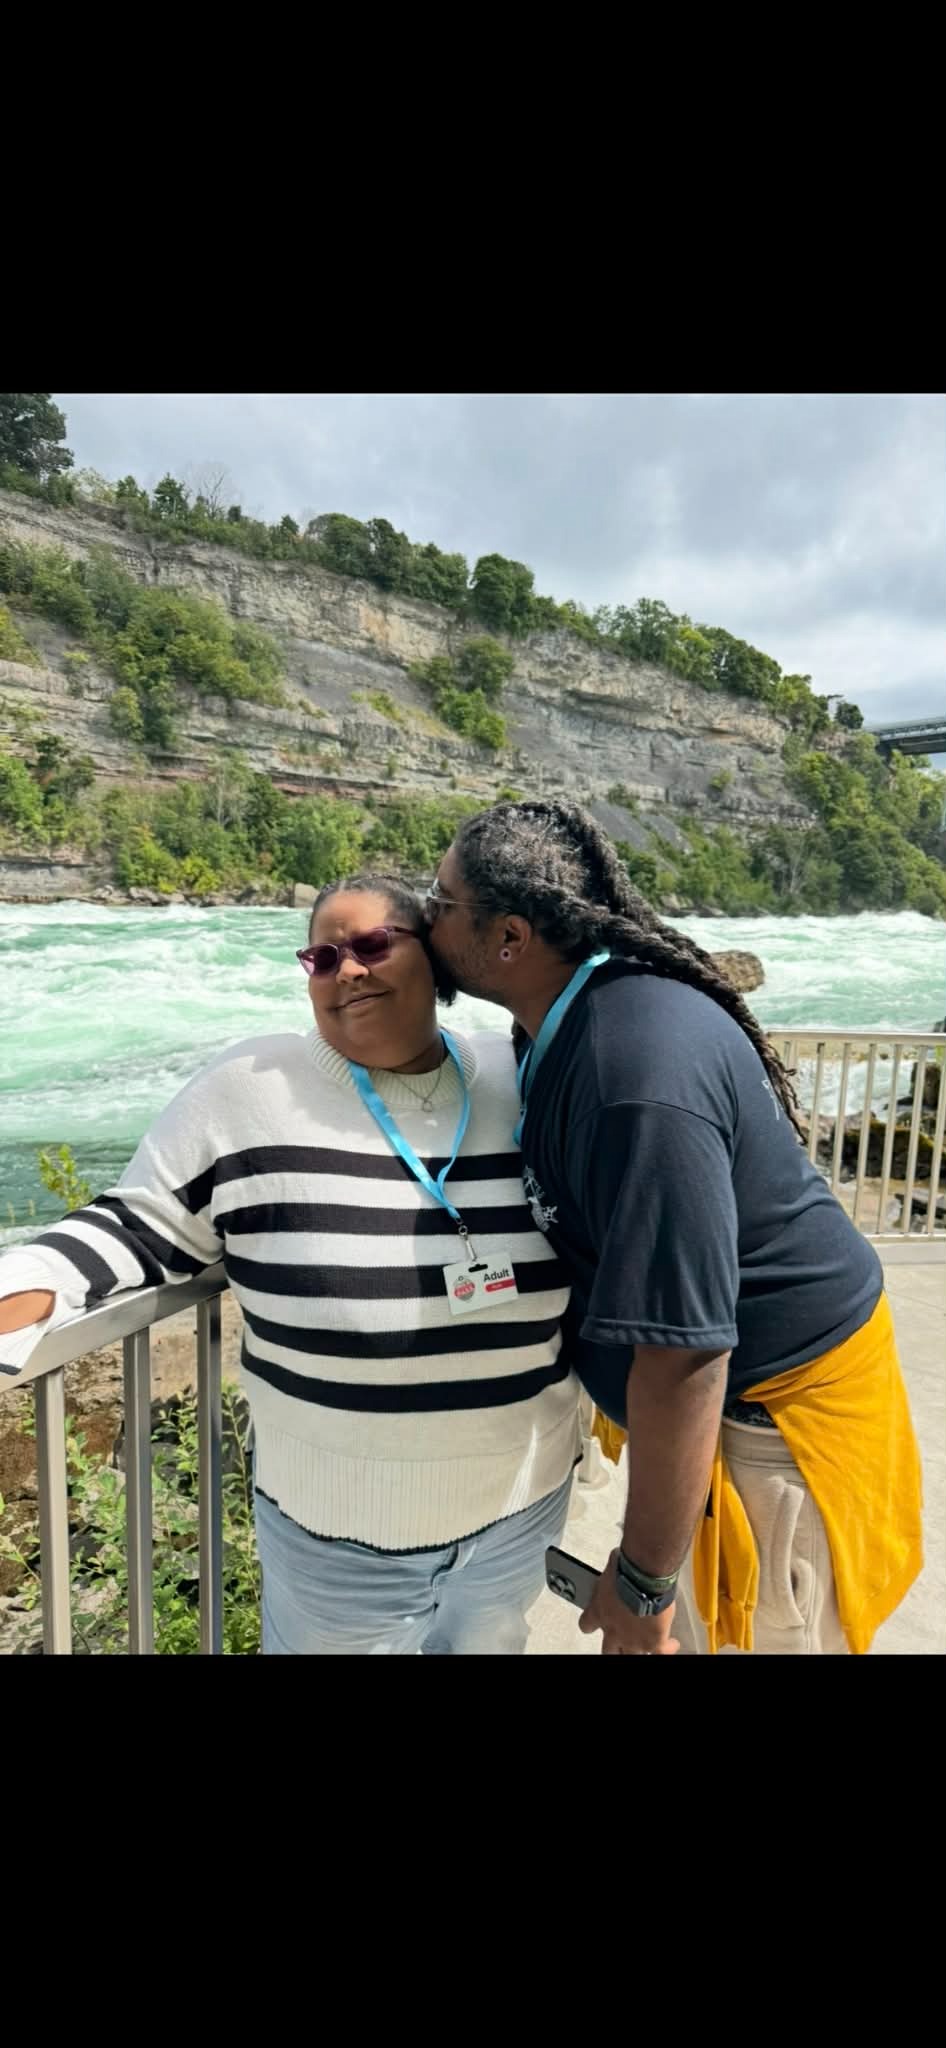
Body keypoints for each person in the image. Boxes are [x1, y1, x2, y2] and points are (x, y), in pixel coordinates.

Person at [0, 874, 580, 1655]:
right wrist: (29, 1287)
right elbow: (141, 1224)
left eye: (374, 944)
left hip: (519, 1513)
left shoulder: (523, 1073)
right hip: (335, 1545)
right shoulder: (248, 1088)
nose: (348, 970)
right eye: (323, 957)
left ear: (436, 956)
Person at [426, 800, 924, 1657]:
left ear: (509, 938)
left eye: (440, 900)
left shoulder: (636, 1078)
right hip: (729, 1416)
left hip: (773, 1434)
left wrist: (644, 1583)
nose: (422, 914)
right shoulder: (570, 1018)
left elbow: (686, 1358)